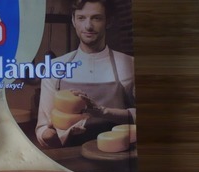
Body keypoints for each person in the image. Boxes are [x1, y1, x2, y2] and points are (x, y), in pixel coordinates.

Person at [35, 0, 136, 148]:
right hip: (68, 156)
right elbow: (43, 129)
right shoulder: (54, 68)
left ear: (108, 21)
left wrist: (103, 112)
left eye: (96, 18)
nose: (88, 26)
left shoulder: (129, 64)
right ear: (73, 21)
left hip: (115, 156)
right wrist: (52, 135)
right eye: (81, 18)